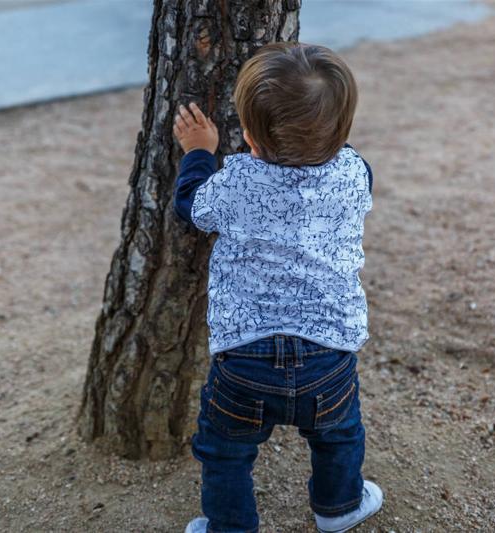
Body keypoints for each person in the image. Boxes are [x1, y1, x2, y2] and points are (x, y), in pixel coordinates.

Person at [172, 42, 382, 533]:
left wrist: (199, 153)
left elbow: (192, 207)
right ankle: (339, 508)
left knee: (226, 450)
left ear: (248, 136)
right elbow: (346, 163)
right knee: (338, 435)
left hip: (244, 357)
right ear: (343, 130)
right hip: (328, 352)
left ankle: (230, 527)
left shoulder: (238, 180)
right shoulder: (355, 173)